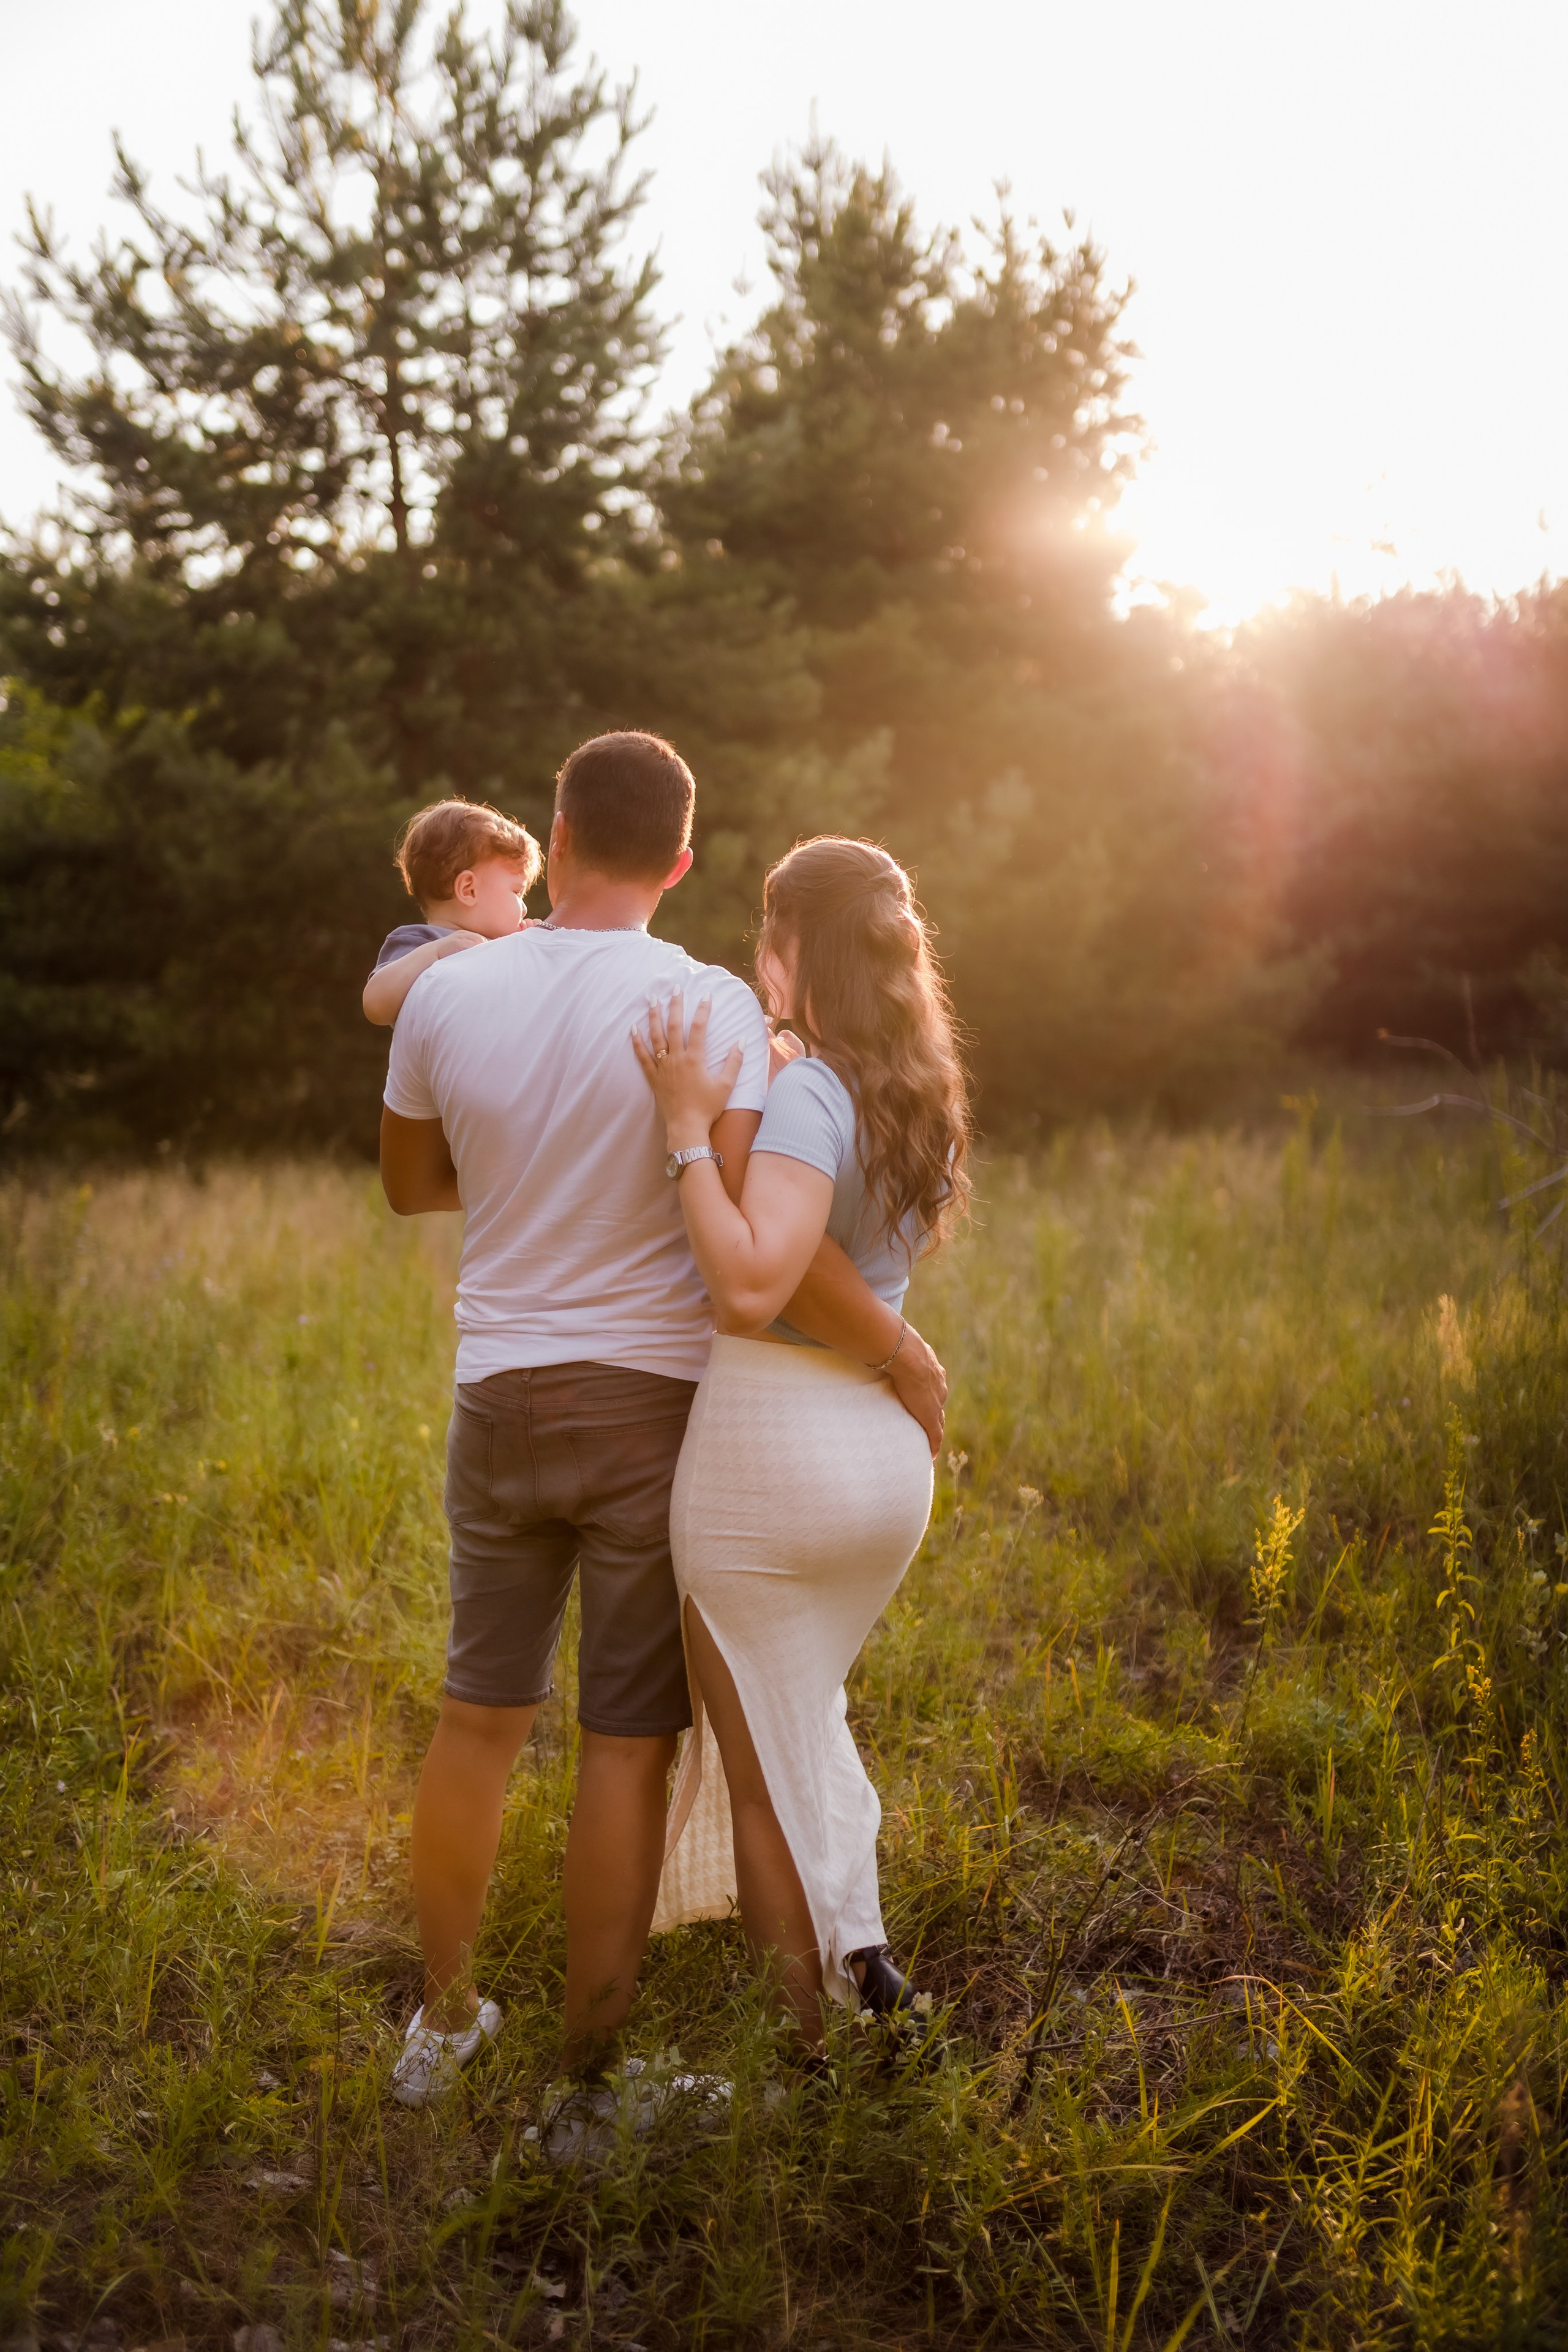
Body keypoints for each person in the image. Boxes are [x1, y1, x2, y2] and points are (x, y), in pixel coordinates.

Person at [377, 734, 949, 2105]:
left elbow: (409, 1184)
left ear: (559, 838)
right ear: (682, 863)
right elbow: (766, 1233)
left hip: (496, 1396)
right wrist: (900, 1348)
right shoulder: (711, 1008)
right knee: (625, 1746)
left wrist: (525, 1175)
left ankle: (440, 2026)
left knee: (475, 1720)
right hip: (647, 1411)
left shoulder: (443, 992)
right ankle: (587, 2081)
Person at [636, 835, 971, 2051]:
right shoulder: (910, 1083)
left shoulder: (808, 1092)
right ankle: (863, 1959)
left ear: (791, 945)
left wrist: (690, 1131)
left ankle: (799, 2054)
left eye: (763, 938)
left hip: (772, 1457)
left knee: (760, 1777)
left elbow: (759, 1281)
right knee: (802, 1717)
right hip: (877, 1465)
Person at [363, 797, 541, 1028]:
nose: (524, 908)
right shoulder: (419, 943)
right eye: (517, 892)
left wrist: (533, 948)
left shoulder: (504, 946)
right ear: (469, 889)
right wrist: (435, 953)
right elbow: (375, 1006)